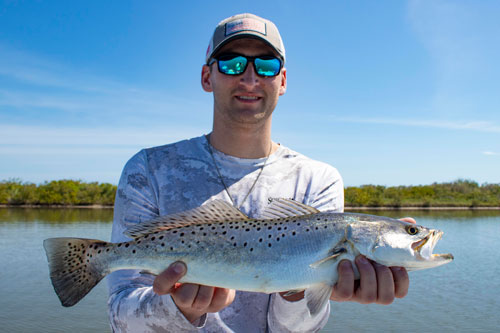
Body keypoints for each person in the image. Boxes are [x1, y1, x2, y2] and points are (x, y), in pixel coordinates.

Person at [108, 13, 413, 332]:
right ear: (206, 77)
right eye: (231, 62)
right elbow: (121, 317)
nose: (250, 78)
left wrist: (297, 290)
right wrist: (176, 308)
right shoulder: (148, 169)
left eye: (266, 65)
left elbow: (295, 330)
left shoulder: (319, 180)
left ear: (282, 81)